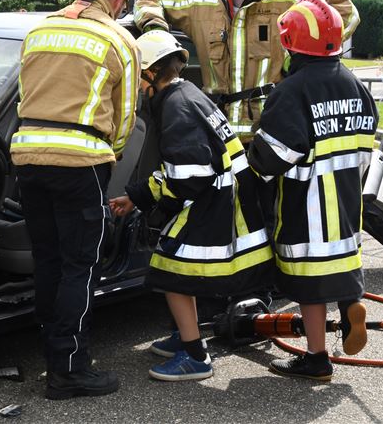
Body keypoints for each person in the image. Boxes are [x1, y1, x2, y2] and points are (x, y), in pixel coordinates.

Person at [109, 30, 273, 381]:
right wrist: (137, 196)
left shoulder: (176, 106)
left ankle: (196, 356)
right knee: (178, 271)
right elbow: (181, 170)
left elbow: (189, 176)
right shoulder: (186, 93)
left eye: (137, 77)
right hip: (220, 195)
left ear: (151, 73)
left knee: (171, 270)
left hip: (214, 200)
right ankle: (185, 336)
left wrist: (145, 196)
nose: (135, 87)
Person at [9, 0, 141, 399]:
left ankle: (51, 350)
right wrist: (111, 155)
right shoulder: (119, 39)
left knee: (47, 259)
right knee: (79, 267)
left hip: (26, 158)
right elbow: (124, 119)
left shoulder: (39, 30)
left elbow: (27, 94)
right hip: (80, 163)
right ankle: (69, 369)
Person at [133, 0, 360, 140]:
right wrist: (158, 35)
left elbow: (346, 13)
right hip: (216, 134)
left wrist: (304, 59)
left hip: (272, 132)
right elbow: (148, 2)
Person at [248, 0, 376, 380]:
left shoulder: (292, 91)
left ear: (289, 43)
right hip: (347, 205)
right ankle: (351, 303)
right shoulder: (356, 84)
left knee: (309, 284)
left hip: (306, 209)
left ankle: (317, 358)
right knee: (339, 266)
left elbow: (271, 159)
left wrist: (249, 155)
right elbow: (366, 150)